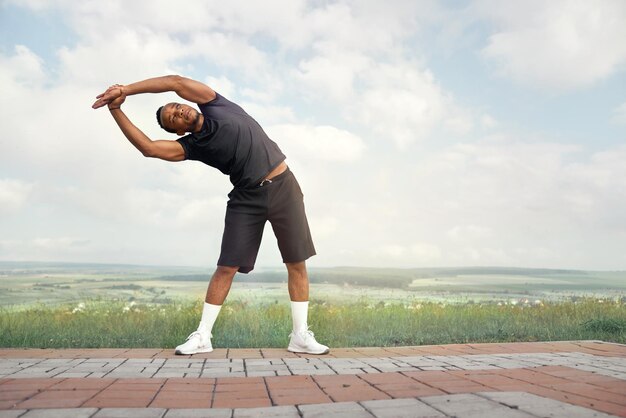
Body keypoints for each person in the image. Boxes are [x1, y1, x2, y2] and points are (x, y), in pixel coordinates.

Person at [92, 75, 329, 355]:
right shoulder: (193, 146)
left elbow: (175, 81)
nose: (179, 111)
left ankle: (300, 337)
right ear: (178, 131)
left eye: (176, 106)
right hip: (246, 198)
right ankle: (203, 336)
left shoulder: (216, 104)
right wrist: (116, 109)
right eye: (173, 118)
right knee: (226, 267)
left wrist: (125, 90)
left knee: (296, 262)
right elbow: (149, 148)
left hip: (284, 187)